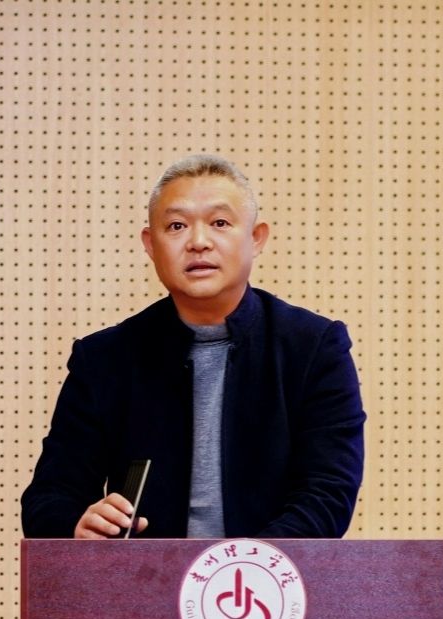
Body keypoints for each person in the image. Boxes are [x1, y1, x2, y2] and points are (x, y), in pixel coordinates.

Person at [20, 154, 364, 541]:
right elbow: (49, 498)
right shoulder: (104, 359)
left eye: (220, 223)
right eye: (177, 226)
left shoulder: (314, 347)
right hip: (142, 578)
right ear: (150, 244)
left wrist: (243, 565)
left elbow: (328, 494)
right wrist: (77, 524)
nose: (198, 242)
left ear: (256, 238)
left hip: (270, 576)